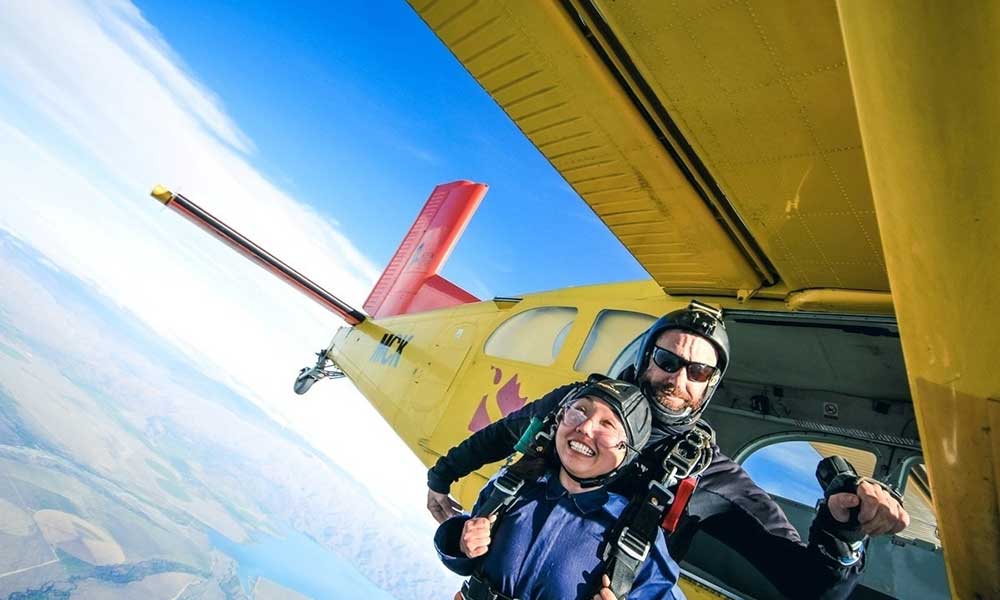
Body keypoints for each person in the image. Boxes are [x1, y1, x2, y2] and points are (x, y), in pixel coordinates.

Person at [428, 301, 910, 599]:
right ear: (646, 360)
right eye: (667, 360)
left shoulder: (709, 474)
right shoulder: (580, 405)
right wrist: (441, 477)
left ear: (711, 387)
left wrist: (842, 533)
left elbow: (811, 587)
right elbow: (503, 432)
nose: (678, 379)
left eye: (698, 372)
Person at [434, 379, 685, 600]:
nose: (585, 428)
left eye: (607, 425)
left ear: (627, 453)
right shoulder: (510, 488)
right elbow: (468, 562)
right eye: (579, 411)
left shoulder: (637, 537)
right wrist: (461, 542)